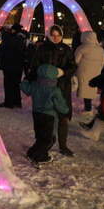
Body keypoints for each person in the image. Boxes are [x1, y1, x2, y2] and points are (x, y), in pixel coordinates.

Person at [28, 24, 77, 156]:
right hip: (45, 88)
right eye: (53, 35)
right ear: (49, 36)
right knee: (46, 118)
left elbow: (73, 66)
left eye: (58, 35)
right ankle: (41, 144)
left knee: (63, 116)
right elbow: (35, 66)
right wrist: (31, 81)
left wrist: (64, 72)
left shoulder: (67, 49)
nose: (56, 38)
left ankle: (63, 145)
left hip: (62, 87)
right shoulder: (42, 48)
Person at [21, 64, 70, 165]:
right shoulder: (55, 90)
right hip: (49, 116)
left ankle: (32, 153)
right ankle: (40, 156)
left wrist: (26, 80)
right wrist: (65, 110)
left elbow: (25, 88)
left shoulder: (35, 85)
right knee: (49, 139)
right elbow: (61, 106)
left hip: (36, 114)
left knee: (40, 136)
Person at [74, 31, 104, 116]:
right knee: (91, 90)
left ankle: (88, 108)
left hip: (83, 72)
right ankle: (89, 107)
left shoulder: (81, 48)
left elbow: (76, 60)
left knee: (85, 90)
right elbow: (103, 62)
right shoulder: (100, 49)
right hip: (96, 73)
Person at [0, 23, 26, 108]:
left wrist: (4, 32)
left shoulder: (11, 38)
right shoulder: (23, 38)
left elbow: (6, 44)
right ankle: (17, 102)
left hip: (9, 65)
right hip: (18, 66)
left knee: (8, 84)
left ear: (14, 30)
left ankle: (8, 103)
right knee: (16, 84)